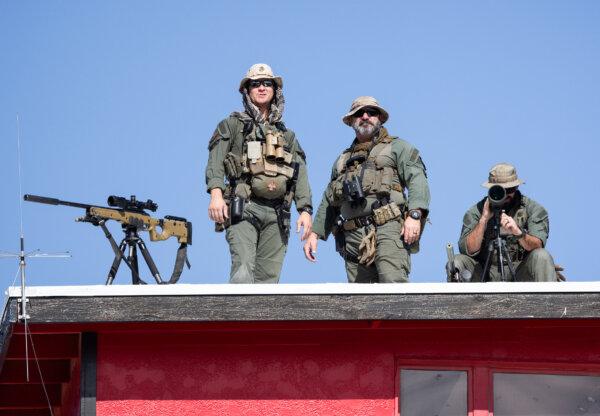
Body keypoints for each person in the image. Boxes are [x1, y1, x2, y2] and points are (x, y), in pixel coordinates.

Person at [303, 96, 430, 283]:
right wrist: (315, 233)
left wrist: (415, 215)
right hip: (352, 238)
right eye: (358, 113)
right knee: (360, 302)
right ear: (351, 121)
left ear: (379, 118)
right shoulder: (342, 160)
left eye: (371, 112)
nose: (365, 116)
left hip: (388, 228)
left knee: (392, 286)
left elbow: (417, 180)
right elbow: (330, 198)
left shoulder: (398, 147)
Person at [206, 63, 313, 283]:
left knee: (268, 281)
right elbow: (215, 162)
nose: (262, 88)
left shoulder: (287, 135)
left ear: (275, 90)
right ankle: (238, 318)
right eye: (255, 84)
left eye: (267, 83)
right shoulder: (232, 125)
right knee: (243, 269)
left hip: (277, 214)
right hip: (244, 207)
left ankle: (261, 319)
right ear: (247, 90)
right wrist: (216, 195)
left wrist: (305, 210)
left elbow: (299, 173)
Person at [447, 163, 557, 282]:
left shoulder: (533, 209)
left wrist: (518, 233)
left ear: (516, 188)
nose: (505, 195)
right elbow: (467, 250)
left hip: (520, 271)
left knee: (542, 257)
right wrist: (483, 220)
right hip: (485, 273)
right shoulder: (477, 211)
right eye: (500, 190)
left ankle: (547, 299)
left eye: (509, 189)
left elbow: (538, 246)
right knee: (456, 262)